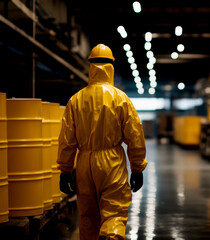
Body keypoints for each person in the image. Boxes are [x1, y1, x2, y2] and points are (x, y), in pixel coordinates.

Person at [57, 43, 148, 240]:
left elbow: (66, 140)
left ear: (90, 66)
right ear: (111, 67)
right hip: (112, 162)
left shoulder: (76, 100)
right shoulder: (121, 99)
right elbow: (135, 136)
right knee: (114, 212)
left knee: (87, 215)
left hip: (84, 162)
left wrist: (65, 170)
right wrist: (137, 168)